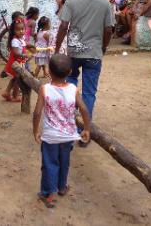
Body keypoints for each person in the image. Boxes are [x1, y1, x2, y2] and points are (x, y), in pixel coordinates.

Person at [55, 0, 114, 142]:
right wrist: (104, 46)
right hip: (94, 53)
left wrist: (58, 48)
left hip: (73, 52)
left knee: (71, 82)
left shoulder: (72, 1)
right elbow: (109, 29)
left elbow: (63, 26)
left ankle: (70, 116)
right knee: (89, 92)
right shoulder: (104, 3)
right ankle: (84, 130)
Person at [33, 54, 91, 208]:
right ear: (70, 71)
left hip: (50, 137)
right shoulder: (73, 89)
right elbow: (84, 109)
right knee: (64, 162)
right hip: (68, 136)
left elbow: (37, 112)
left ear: (49, 72)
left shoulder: (44, 89)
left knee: (50, 163)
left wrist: (35, 131)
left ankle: (48, 193)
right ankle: (62, 187)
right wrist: (86, 129)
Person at [1, 18, 32, 101]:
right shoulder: (15, 40)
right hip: (16, 63)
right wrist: (24, 55)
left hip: (19, 62)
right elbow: (15, 53)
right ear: (14, 31)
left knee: (15, 78)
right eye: (18, 30)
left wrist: (32, 47)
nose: (21, 31)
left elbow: (25, 44)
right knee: (17, 80)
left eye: (22, 29)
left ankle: (7, 92)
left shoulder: (22, 38)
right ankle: (15, 96)